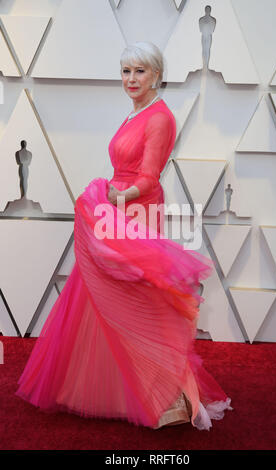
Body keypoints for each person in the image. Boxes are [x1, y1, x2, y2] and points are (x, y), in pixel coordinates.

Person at [15, 41, 232, 431]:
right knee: (103, 298)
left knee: (141, 305)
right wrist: (109, 201)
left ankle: (168, 399)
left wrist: (117, 197)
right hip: (116, 214)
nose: (131, 79)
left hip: (139, 214)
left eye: (140, 71)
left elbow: (149, 178)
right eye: (125, 71)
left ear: (157, 75)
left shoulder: (160, 118)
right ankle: (110, 389)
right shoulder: (136, 114)